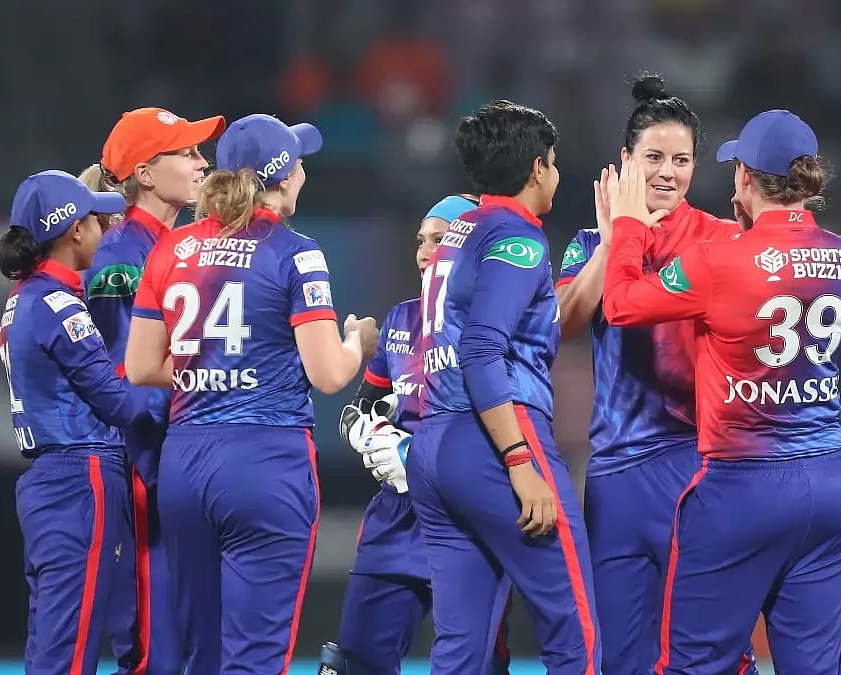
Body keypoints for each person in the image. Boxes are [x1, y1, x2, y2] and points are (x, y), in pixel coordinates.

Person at [602, 110, 841, 675]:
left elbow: (621, 305)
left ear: (745, 177)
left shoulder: (718, 259)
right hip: (831, 484)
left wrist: (626, 228)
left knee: (695, 665)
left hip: (742, 489)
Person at [124, 113, 380, 672]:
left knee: (201, 653)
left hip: (185, 464)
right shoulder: (296, 252)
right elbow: (328, 375)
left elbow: (140, 367)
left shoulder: (171, 249)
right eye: (300, 162)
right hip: (266, 462)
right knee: (256, 657)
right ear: (284, 178)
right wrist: (358, 343)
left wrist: (212, 368)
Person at [555, 73, 753, 674]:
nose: (668, 173)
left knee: (709, 651)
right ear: (625, 162)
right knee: (618, 657)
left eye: (682, 160)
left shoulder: (723, 239)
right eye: (654, 158)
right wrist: (613, 240)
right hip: (614, 473)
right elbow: (560, 324)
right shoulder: (589, 242)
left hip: (694, 463)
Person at [407, 100, 600, 674]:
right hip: (495, 436)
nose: (556, 174)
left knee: (461, 647)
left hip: (435, 442)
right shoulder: (518, 237)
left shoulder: (457, 233)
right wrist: (519, 459)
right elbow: (482, 349)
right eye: (554, 163)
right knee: (573, 624)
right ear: (538, 168)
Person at [317, 193, 513, 675]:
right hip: (397, 515)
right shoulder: (400, 320)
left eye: (440, 240)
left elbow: (514, 420)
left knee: (476, 666)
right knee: (353, 664)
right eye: (421, 241)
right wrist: (373, 436)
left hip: (468, 510)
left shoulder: (498, 323)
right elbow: (357, 410)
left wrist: (418, 454)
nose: (426, 252)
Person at [82, 105, 226, 675]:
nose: (203, 163)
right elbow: (128, 381)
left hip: (186, 461)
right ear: (144, 172)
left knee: (194, 641)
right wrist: (164, 470)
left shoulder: (182, 245)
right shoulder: (121, 255)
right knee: (155, 648)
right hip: (150, 465)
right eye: (187, 153)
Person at [0, 170, 153, 674]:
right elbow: (119, 404)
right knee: (72, 640)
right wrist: (186, 374)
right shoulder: (59, 305)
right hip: (80, 477)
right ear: (74, 231)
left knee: (53, 636)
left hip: (51, 478)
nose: (105, 227)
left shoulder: (24, 297)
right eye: (95, 218)